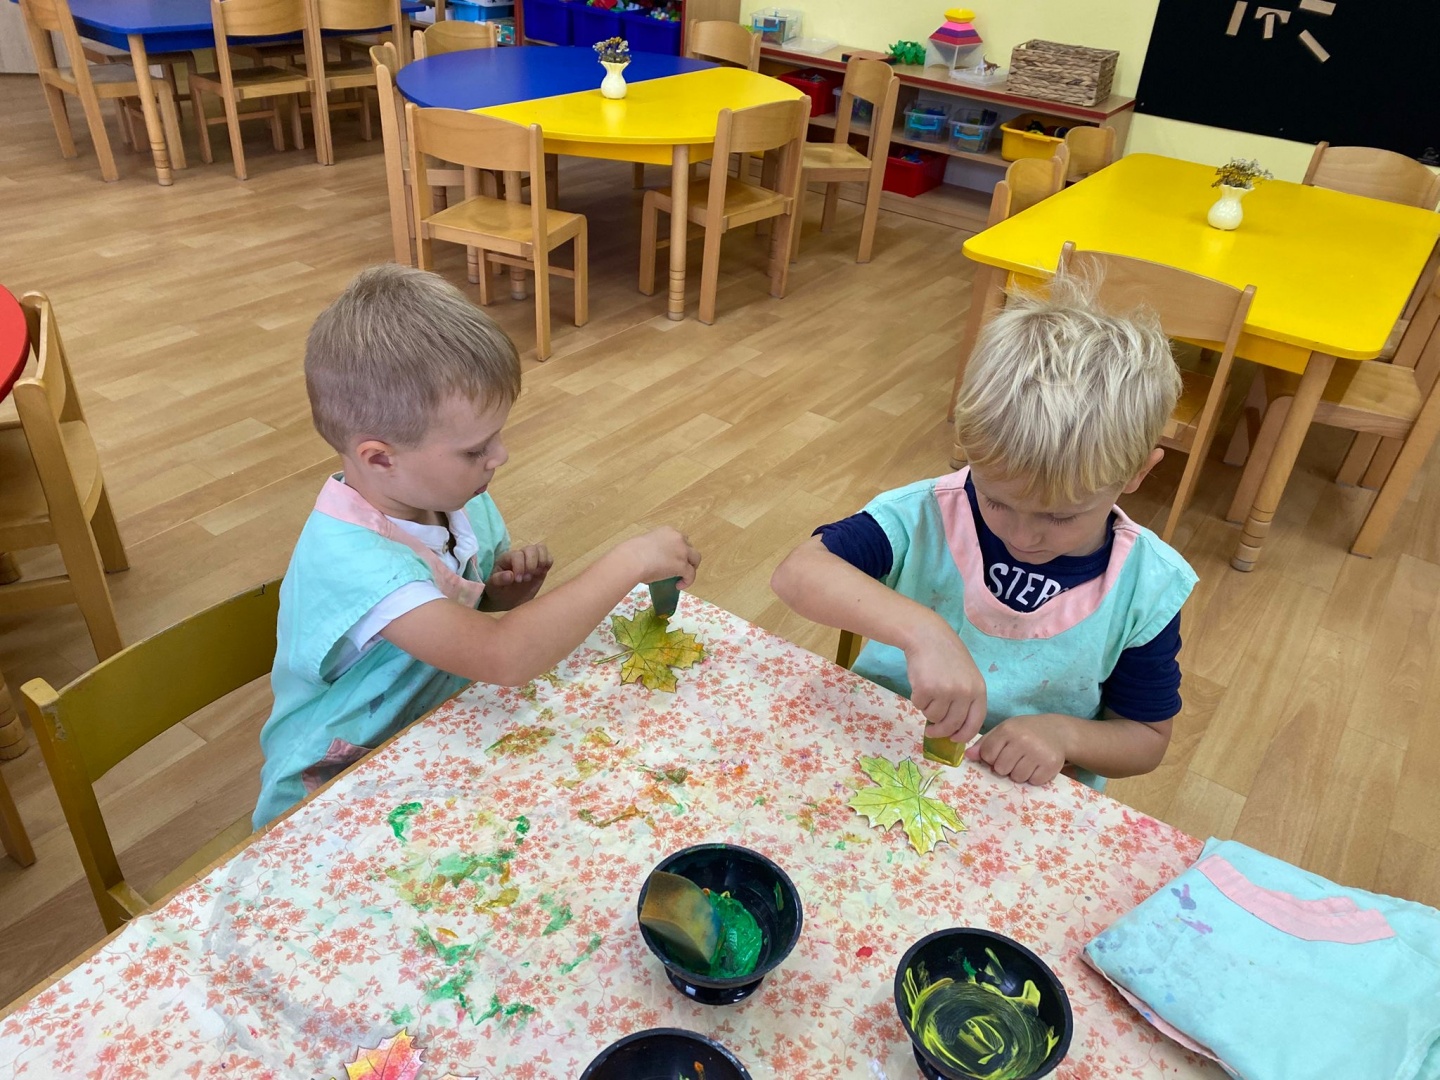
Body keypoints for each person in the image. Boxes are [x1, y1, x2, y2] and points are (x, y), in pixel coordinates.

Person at [254, 265, 700, 827]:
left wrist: (495, 597)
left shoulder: (453, 497)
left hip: (437, 734)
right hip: (335, 789)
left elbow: (462, 618)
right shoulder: (356, 563)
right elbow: (502, 657)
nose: (500, 456)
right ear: (380, 458)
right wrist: (630, 560)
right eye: (475, 449)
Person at [771, 277, 1197, 789]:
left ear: (1138, 472)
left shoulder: (1147, 587)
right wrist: (924, 632)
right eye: (996, 501)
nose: (1024, 536)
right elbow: (798, 572)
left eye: (1060, 517)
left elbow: (1146, 738)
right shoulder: (926, 514)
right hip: (878, 747)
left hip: (1018, 792)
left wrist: (1065, 735)